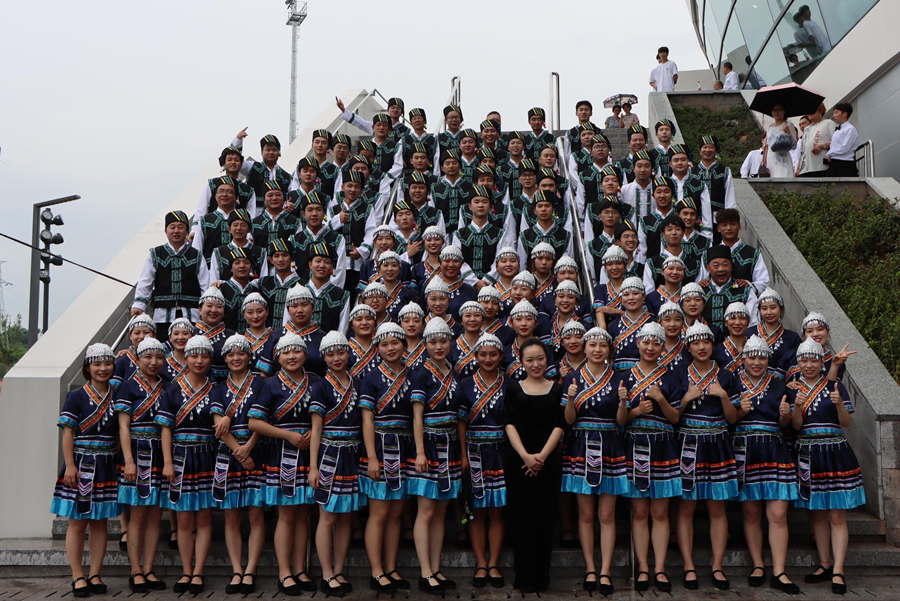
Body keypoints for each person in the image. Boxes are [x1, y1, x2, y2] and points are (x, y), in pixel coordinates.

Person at [789, 338, 865, 596]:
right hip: (807, 452)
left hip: (834, 451)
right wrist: (797, 405)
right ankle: (824, 564)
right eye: (804, 360)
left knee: (836, 514)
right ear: (798, 362)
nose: (809, 364)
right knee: (817, 512)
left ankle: (839, 569)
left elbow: (847, 423)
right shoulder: (793, 388)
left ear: (823, 362)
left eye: (814, 359)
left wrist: (839, 403)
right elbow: (796, 426)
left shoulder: (835, 385)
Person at [248, 333, 321, 595]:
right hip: (281, 452)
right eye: (286, 352)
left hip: (309, 453)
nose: (291, 356)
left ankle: (300, 568)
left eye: (297, 351)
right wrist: (288, 434)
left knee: (304, 514)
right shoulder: (269, 385)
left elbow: (322, 417)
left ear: (305, 354)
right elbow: (254, 422)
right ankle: (284, 572)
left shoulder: (316, 382)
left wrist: (315, 431)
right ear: (277, 356)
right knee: (287, 514)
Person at [729, 335, 800, 594]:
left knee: (778, 514)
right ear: (743, 358)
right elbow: (727, 419)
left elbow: (787, 424)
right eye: (751, 357)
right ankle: (758, 564)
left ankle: (779, 571)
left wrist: (785, 416)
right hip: (745, 449)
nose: (756, 362)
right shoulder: (732, 382)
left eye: (761, 357)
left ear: (768, 359)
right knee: (751, 513)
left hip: (774, 448)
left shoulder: (781, 385)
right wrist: (741, 412)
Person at [561, 327, 629, 595]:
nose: (598, 349)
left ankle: (605, 571)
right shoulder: (573, 378)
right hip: (580, 444)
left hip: (610, 444)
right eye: (593, 345)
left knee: (606, 514)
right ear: (585, 348)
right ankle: (590, 567)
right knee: (586, 514)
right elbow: (568, 420)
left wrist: (624, 404)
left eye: (603, 345)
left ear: (609, 349)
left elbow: (621, 421)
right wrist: (569, 398)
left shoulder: (619, 379)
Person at [619, 323, 683, 593]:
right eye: (645, 342)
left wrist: (660, 399)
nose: (650, 347)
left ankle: (660, 568)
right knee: (639, 511)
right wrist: (635, 411)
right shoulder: (623, 375)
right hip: (634, 444)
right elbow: (619, 419)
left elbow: (676, 417)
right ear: (637, 343)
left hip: (663, 445)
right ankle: (643, 566)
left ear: (662, 346)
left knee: (660, 512)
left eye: (655, 343)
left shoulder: (671, 376)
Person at [53, 343, 120, 598]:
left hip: (106, 465)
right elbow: (68, 433)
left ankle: (95, 573)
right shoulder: (77, 396)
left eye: (107, 363)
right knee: (78, 522)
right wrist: (69, 464)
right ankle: (77, 575)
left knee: (100, 522)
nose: (103, 368)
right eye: (97, 364)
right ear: (88, 367)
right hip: (81, 463)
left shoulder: (118, 394)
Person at [676, 322, 739, 591]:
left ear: (713, 345)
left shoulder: (725, 376)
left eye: (706, 342)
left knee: (717, 507)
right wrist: (685, 399)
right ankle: (689, 565)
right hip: (688, 444)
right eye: (696, 343)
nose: (701, 347)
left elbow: (733, 418)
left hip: (718, 443)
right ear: (688, 347)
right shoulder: (678, 374)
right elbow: (672, 416)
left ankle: (717, 565)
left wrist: (723, 396)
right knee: (687, 506)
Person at [503, 339, 566, 593]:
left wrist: (540, 457)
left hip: (548, 460)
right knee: (521, 519)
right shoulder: (514, 387)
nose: (535, 364)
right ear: (521, 362)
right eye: (529, 360)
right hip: (518, 461)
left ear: (547, 358)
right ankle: (524, 578)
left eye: (540, 358)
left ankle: (542, 578)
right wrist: (526, 456)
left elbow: (560, 425)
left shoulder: (557, 389)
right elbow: (509, 423)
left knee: (544, 517)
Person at [156, 335, 217, 594]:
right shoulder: (171, 389)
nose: (199, 360)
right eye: (194, 355)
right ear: (186, 358)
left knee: (204, 518)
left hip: (207, 456)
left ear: (210, 359)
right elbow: (166, 429)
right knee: (182, 521)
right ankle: (185, 571)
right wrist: (167, 462)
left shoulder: (216, 389)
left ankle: (199, 572)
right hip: (180, 458)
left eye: (204, 355)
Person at [358, 323, 414, 592]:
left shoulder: (413, 375)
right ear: (377, 348)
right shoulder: (370, 378)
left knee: (396, 512)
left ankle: (391, 567)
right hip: (379, 446)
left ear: (404, 345)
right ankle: (376, 570)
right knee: (379, 512)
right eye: (384, 344)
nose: (390, 348)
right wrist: (371, 456)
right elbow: (367, 420)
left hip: (405, 447)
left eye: (395, 343)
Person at [309, 332, 365, 597]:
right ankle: (326, 573)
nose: (336, 358)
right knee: (328, 517)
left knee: (345, 517)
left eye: (340, 352)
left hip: (352, 455)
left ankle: (340, 570)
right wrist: (313, 466)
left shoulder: (358, 383)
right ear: (323, 357)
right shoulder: (320, 385)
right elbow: (316, 429)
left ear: (349, 353)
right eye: (330, 354)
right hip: (329, 455)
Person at [209, 335, 267, 595]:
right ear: (224, 358)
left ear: (249, 356)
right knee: (231, 517)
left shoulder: (262, 385)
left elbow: (264, 420)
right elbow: (218, 426)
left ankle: (251, 569)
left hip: (257, 450)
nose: (236, 358)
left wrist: (249, 448)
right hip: (229, 455)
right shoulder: (218, 388)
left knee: (256, 515)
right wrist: (240, 453)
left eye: (241, 353)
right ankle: (236, 569)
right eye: (230, 354)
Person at [409, 318, 462, 593]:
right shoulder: (420, 373)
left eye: (443, 341)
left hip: (450, 443)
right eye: (432, 342)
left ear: (450, 342)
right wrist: (419, 451)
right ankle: (425, 571)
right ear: (425, 344)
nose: (438, 346)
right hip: (428, 443)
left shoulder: (452, 370)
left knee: (441, 511)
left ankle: (437, 567)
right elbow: (417, 417)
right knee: (426, 511)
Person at [115, 338, 168, 592]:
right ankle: (135, 569)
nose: (154, 362)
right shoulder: (127, 387)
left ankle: (149, 568)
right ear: (137, 359)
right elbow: (123, 426)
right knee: (137, 515)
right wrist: (128, 460)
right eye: (148, 357)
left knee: (156, 515)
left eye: (158, 357)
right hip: (136, 451)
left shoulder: (167, 386)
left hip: (159, 452)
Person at [458, 333, 509, 589]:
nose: (488, 359)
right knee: (476, 511)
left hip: (501, 451)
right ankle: (480, 562)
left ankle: (494, 563)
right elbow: (461, 422)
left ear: (501, 356)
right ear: (475, 356)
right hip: (474, 451)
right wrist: (463, 454)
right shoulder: (466, 384)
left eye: (493, 354)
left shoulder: (509, 384)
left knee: (497, 511)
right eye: (482, 354)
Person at [132, 211, 209, 339]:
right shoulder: (155, 254)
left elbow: (205, 285)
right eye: (172, 227)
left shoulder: (196, 255)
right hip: (163, 316)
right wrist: (139, 305)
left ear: (186, 231)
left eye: (180, 227)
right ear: (165, 231)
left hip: (192, 314)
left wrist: (206, 309)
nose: (176, 231)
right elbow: (146, 281)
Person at [748, 287, 802, 379]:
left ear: (781, 309)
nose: (769, 312)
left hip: (780, 386)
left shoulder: (792, 337)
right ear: (760, 311)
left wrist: (781, 372)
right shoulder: (749, 333)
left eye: (773, 307)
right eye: (764, 308)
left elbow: (799, 362)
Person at [692, 135, 737, 243]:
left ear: (716, 150)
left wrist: (729, 219)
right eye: (704, 147)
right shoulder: (692, 172)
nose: (707, 150)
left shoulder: (724, 171)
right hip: (697, 219)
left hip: (718, 218)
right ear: (699, 150)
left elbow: (729, 196)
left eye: (711, 147)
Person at [798, 104, 835, 178]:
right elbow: (802, 152)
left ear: (820, 110)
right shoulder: (806, 129)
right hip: (805, 169)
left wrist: (821, 146)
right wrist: (798, 168)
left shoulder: (828, 123)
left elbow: (836, 143)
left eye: (813, 109)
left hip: (820, 167)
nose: (810, 112)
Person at [824, 102, 859, 177]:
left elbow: (845, 148)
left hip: (845, 164)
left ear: (845, 114)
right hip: (835, 164)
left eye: (836, 112)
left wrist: (829, 153)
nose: (834, 116)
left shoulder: (850, 129)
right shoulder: (837, 130)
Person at [762, 104, 798, 178]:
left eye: (779, 109)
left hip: (783, 159)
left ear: (784, 111)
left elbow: (794, 145)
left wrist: (788, 132)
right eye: (774, 110)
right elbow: (767, 146)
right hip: (770, 159)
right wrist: (764, 162)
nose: (776, 112)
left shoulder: (788, 124)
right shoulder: (770, 127)